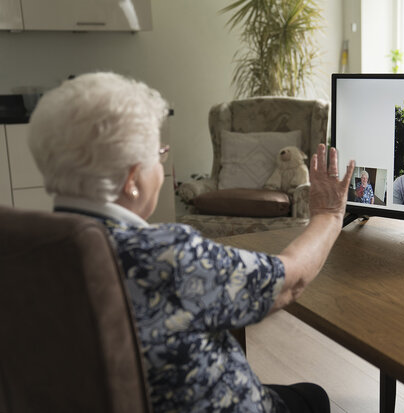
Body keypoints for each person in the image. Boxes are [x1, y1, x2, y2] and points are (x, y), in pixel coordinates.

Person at [27, 72, 355, 413]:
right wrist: (329, 215)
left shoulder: (32, 250)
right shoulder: (165, 255)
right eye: (159, 153)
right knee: (312, 397)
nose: (162, 165)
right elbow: (290, 281)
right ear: (131, 180)